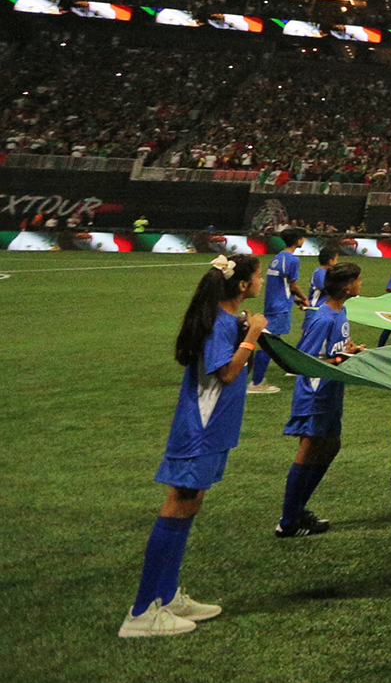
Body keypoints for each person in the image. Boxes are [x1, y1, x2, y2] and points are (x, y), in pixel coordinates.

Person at [122, 255, 265, 638]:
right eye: (258, 276)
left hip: (212, 430)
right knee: (178, 504)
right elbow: (228, 372)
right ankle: (141, 613)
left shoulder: (223, 319)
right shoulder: (219, 322)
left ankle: (166, 598)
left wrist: (246, 331)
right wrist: (251, 337)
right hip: (200, 431)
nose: (261, 281)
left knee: (190, 504)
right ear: (241, 285)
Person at [278, 259, 362, 539]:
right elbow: (303, 360)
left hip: (331, 391)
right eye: (358, 281)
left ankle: (297, 510)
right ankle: (288, 521)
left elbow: (335, 350)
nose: (361, 284)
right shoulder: (323, 317)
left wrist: (348, 350)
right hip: (315, 393)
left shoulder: (341, 311)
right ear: (348, 286)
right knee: (310, 448)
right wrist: (341, 358)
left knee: (331, 446)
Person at [252, 229, 303, 394]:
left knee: (267, 342)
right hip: (279, 307)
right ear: (297, 240)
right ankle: (256, 382)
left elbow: (282, 286)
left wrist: (294, 300)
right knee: (267, 344)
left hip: (273, 304)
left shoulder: (278, 257)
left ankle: (257, 380)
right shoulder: (293, 260)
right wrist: (304, 298)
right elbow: (293, 286)